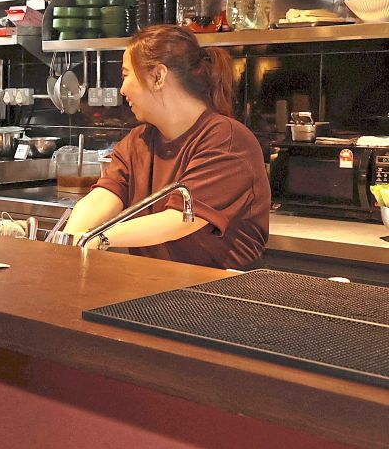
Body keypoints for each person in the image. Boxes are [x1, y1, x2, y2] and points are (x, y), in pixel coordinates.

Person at [62, 25, 270, 269]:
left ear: (158, 77)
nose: (122, 89)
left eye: (126, 75)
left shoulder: (227, 139)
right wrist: (68, 240)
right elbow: (105, 196)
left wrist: (97, 238)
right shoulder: (139, 141)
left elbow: (181, 220)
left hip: (222, 287)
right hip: (156, 284)